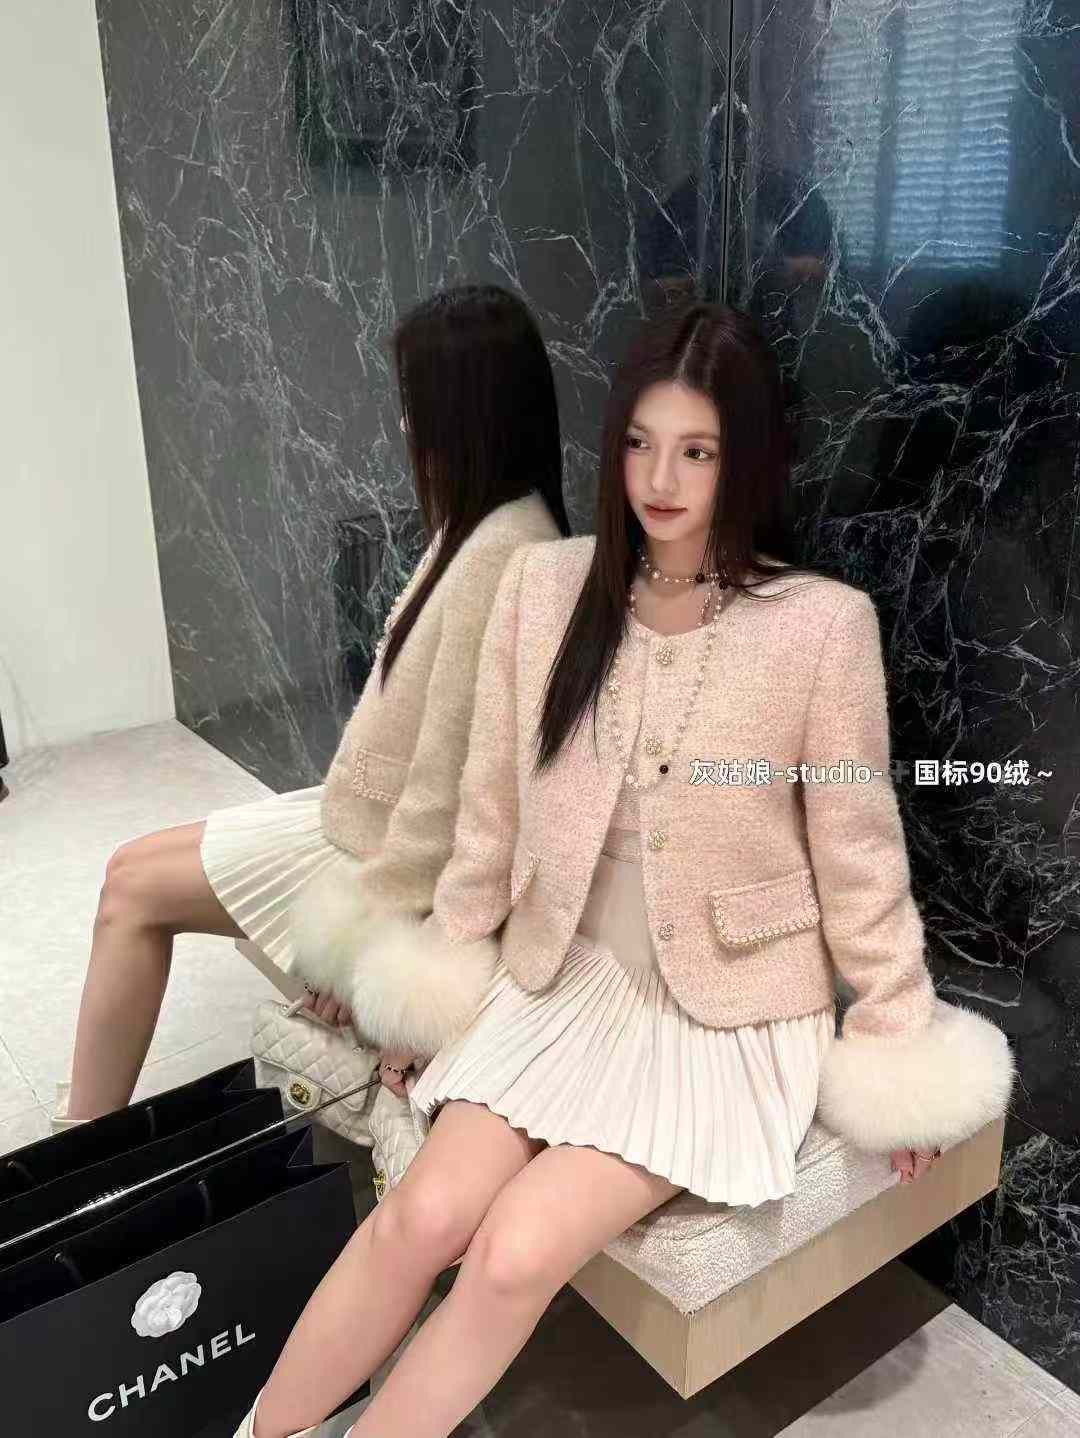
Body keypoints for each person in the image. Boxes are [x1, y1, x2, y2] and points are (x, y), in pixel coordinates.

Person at [238, 302, 1015, 1438]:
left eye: (697, 451)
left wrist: (899, 1039)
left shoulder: (819, 627)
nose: (661, 478)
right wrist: (432, 983)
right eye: (642, 443)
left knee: (514, 1252)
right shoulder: (546, 588)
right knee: (421, 1217)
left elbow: (859, 853)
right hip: (564, 981)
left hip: (719, 1020)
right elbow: (490, 819)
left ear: (744, 458)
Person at [57, 283, 570, 1125]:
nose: (403, 424)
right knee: (127, 875)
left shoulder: (504, 552)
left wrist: (360, 940)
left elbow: (449, 790)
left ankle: (79, 1147)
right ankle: (82, 1138)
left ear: (464, 411)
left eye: (414, 402)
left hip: (376, 861)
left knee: (131, 894)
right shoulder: (483, 525)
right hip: (357, 828)